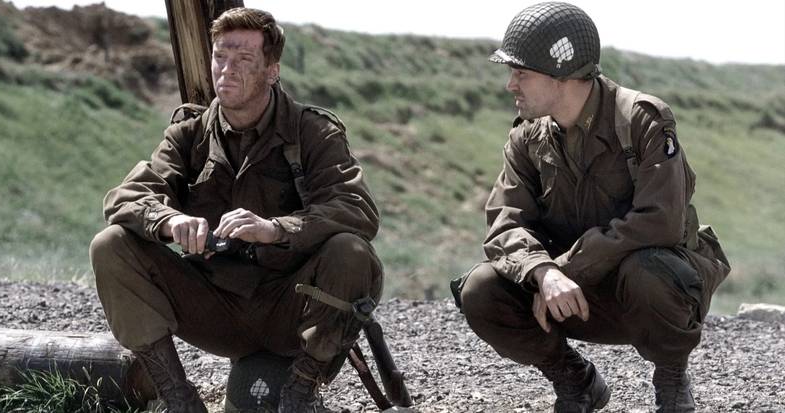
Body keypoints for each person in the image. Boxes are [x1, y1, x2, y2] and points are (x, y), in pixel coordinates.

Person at [89, 7, 382, 413]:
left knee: (351, 252)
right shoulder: (189, 134)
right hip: (215, 309)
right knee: (112, 245)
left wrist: (278, 229)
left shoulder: (311, 131)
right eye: (220, 57)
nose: (226, 70)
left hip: (291, 308)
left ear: (272, 70)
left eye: (244, 60)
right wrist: (170, 222)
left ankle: (300, 393)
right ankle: (177, 398)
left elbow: (357, 209)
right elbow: (124, 198)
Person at [454, 2, 730, 412]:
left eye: (521, 73)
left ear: (562, 73)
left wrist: (565, 269)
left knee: (651, 269)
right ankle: (575, 380)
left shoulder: (641, 120)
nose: (511, 84)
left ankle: (672, 379)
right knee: (480, 288)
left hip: (642, 293)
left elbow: (661, 222)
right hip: (568, 297)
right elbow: (504, 224)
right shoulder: (527, 138)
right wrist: (542, 272)